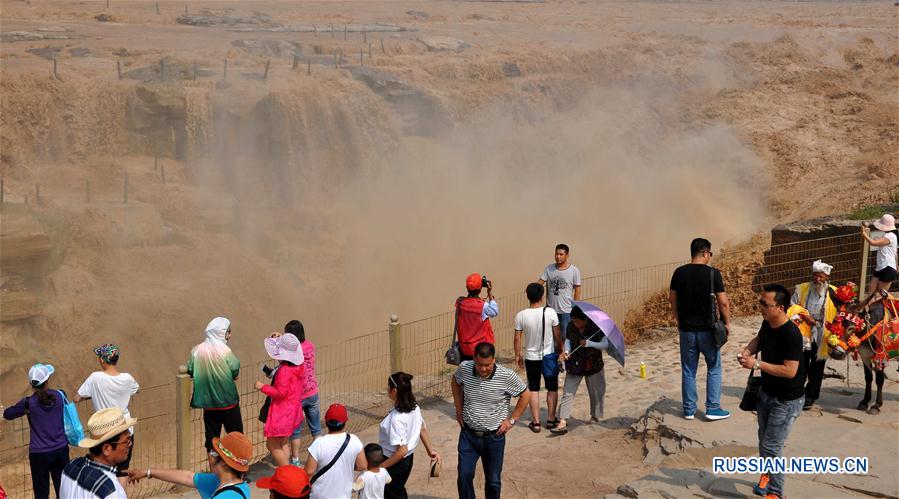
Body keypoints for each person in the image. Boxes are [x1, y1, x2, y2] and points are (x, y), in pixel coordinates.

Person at [738, 284, 806, 499]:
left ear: (780, 307)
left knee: (771, 445)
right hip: (766, 393)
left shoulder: (791, 334)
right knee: (764, 440)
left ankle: (776, 492)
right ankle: (766, 478)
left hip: (786, 400)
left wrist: (757, 364)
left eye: (765, 304)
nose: (761, 308)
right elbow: (759, 340)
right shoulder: (767, 323)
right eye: (761, 302)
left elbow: (790, 370)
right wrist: (747, 351)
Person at [452, 342, 530, 499]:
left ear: (494, 359)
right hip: (468, 435)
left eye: (487, 365)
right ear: (474, 358)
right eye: (479, 364)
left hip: (494, 437)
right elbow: (455, 381)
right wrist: (458, 408)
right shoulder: (465, 368)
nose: (483, 369)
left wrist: (512, 420)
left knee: (493, 481)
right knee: (464, 477)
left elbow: (526, 395)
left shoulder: (507, 376)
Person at [669, 237, 731, 421]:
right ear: (705, 253)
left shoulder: (678, 273)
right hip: (708, 330)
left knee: (688, 369)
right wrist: (727, 323)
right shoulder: (713, 274)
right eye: (710, 254)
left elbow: (672, 299)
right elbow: (723, 302)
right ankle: (712, 408)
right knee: (714, 367)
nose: (710, 257)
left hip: (687, 330)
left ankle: (689, 410)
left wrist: (679, 320)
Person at [75, 344, 140, 484]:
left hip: (104, 431)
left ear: (102, 360)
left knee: (103, 468)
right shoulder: (128, 378)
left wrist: (94, 394)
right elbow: (136, 390)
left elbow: (77, 398)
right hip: (125, 428)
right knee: (122, 469)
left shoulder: (95, 378)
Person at [3, 364, 69, 499]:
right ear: (47, 380)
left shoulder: (28, 403)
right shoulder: (60, 395)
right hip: (61, 449)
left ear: (31, 384)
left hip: (39, 454)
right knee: (63, 490)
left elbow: (8, 414)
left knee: (41, 493)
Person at [127, 431, 252, 499]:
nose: (210, 455)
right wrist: (148, 472)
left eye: (215, 453)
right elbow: (188, 477)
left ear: (224, 463)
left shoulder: (227, 496)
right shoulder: (227, 482)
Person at [378, 372, 441, 499]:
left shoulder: (397, 419)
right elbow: (421, 429)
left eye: (388, 386)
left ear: (394, 390)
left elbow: (401, 450)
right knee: (397, 490)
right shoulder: (414, 407)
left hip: (394, 462)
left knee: (393, 493)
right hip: (407, 460)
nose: (387, 389)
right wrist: (431, 451)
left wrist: (380, 467)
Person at [187, 316, 243, 458]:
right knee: (237, 438)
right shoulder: (225, 351)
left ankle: (215, 476)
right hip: (229, 403)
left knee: (212, 441)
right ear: (221, 333)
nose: (230, 335)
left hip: (209, 405)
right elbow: (235, 368)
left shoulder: (196, 351)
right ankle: (239, 474)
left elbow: (190, 370)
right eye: (228, 332)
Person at [551, 306, 610, 435]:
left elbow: (605, 344)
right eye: (573, 320)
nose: (575, 323)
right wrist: (566, 351)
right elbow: (567, 340)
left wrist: (590, 343)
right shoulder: (571, 325)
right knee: (568, 392)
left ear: (585, 319)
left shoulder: (596, 327)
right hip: (575, 363)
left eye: (577, 321)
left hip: (593, 364)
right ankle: (563, 420)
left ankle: (595, 416)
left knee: (596, 392)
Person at [513, 283, 562, 432]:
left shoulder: (521, 315)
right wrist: (560, 349)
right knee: (552, 388)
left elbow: (517, 338)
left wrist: (517, 355)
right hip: (548, 357)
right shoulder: (551, 312)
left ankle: (536, 422)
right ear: (542, 296)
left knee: (533, 388)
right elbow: (557, 334)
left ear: (527, 296)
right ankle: (551, 420)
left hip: (531, 357)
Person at [790, 260, 838, 410]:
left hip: (823, 333)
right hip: (804, 331)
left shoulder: (834, 292)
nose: (817, 279)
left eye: (821, 276)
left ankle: (811, 395)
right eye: (815, 276)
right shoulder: (802, 289)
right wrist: (805, 316)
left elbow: (841, 313)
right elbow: (793, 307)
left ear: (827, 278)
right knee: (801, 363)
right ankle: (797, 392)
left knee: (817, 367)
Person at [61, 407, 136, 498]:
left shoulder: (70, 466)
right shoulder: (111, 492)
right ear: (107, 449)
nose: (130, 444)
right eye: (126, 441)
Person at [255, 332, 305, 466]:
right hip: (293, 410)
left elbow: (280, 393)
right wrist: (280, 337)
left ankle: (287, 471)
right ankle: (289, 469)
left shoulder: (284, 370)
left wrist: (262, 387)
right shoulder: (299, 366)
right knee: (283, 442)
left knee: (271, 444)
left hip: (282, 413)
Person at [304, 403, 366, 499]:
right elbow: (362, 465)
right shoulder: (354, 440)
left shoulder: (318, 443)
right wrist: (345, 465)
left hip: (319, 495)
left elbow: (309, 471)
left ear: (326, 421)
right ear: (345, 422)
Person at [284, 320, 323, 466]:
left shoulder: (291, 352)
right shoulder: (310, 346)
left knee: (295, 432)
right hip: (312, 392)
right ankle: (321, 458)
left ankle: (295, 460)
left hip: (297, 397)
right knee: (316, 429)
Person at [537, 243, 582, 335]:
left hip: (567, 310)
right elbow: (541, 282)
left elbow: (577, 289)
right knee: (551, 336)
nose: (558, 256)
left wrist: (576, 307)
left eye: (561, 254)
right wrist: (532, 287)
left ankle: (564, 350)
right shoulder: (549, 269)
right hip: (551, 310)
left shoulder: (574, 271)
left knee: (565, 336)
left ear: (567, 255)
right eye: (556, 254)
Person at [455, 273, 498, 362]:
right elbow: (494, 311)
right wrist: (490, 293)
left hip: (465, 348)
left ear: (467, 288)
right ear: (480, 289)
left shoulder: (460, 302)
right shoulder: (483, 306)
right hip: (481, 349)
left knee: (468, 373)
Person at [861, 214, 897, 302]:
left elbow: (873, 242)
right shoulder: (887, 235)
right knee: (870, 294)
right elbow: (895, 253)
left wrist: (864, 234)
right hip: (881, 267)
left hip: (887, 268)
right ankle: (868, 314)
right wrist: (896, 264)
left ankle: (882, 315)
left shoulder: (890, 236)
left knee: (881, 298)